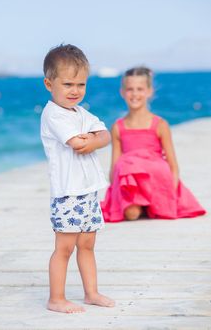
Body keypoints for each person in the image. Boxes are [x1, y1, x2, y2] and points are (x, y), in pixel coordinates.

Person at [40, 44, 115, 313]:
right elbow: (77, 143)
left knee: (87, 243)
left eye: (81, 84)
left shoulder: (80, 113)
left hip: (88, 189)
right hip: (67, 192)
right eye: (68, 83)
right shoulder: (53, 114)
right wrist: (92, 138)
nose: (75, 91)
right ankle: (56, 298)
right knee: (65, 247)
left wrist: (94, 138)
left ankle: (91, 292)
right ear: (50, 84)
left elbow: (106, 135)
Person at [101, 66, 206, 222]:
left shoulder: (160, 124)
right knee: (131, 212)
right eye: (130, 89)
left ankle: (151, 204)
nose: (135, 94)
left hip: (156, 184)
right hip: (132, 187)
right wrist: (117, 196)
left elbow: (173, 165)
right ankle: (141, 205)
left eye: (140, 89)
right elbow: (114, 166)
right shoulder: (118, 127)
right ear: (122, 92)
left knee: (152, 168)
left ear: (149, 91)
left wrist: (170, 194)